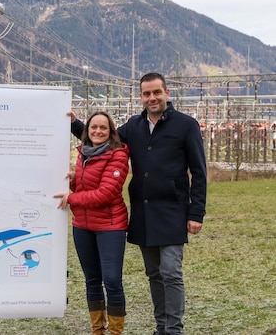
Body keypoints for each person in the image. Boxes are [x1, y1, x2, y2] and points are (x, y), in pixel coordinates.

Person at [69, 72, 207, 335]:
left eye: (157, 92)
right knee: (154, 273)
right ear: (140, 96)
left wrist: (196, 212)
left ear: (167, 93)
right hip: (143, 212)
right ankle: (161, 327)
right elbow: (103, 138)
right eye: (147, 93)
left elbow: (199, 172)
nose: (152, 98)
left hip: (173, 210)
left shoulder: (186, 125)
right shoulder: (134, 126)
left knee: (171, 272)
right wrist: (75, 124)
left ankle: (173, 329)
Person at [54, 111, 130, 335]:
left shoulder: (118, 155)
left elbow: (106, 193)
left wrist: (72, 198)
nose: (98, 131)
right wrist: (74, 181)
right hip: (83, 226)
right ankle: (98, 330)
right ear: (87, 131)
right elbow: (86, 188)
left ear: (110, 132)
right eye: (93, 127)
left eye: (103, 128)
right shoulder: (83, 153)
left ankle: (115, 332)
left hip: (110, 226)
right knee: (92, 281)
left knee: (112, 280)